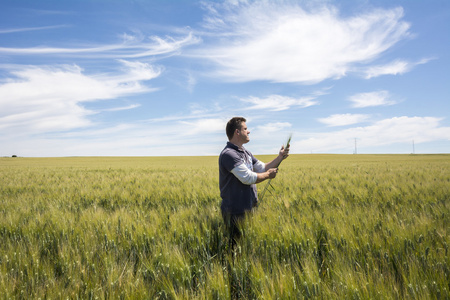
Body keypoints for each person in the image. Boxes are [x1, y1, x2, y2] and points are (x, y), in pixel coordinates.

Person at [219, 117, 290, 249]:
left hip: (249, 207)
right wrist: (268, 175)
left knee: (245, 246)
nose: (249, 131)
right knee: (235, 249)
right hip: (235, 211)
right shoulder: (229, 154)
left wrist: (280, 157)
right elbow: (247, 178)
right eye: (245, 129)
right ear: (237, 132)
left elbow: (262, 167)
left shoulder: (246, 152)